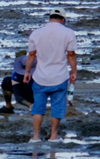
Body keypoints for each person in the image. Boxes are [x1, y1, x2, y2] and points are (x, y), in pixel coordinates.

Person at [23, 9, 77, 143]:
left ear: (50, 18)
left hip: (40, 76)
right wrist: (74, 71)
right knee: (57, 107)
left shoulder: (36, 33)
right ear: (63, 19)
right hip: (60, 76)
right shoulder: (69, 33)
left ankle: (35, 136)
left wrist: (27, 72)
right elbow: (71, 55)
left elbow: (31, 55)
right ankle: (54, 136)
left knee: (38, 107)